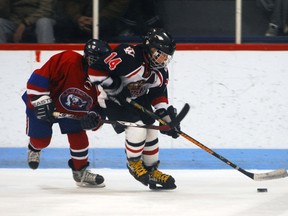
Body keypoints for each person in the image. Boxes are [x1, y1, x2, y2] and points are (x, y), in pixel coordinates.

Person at [88, 28, 180, 190]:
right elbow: (95, 71)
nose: (163, 59)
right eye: (160, 54)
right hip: (113, 99)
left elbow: (158, 93)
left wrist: (164, 116)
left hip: (136, 98)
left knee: (151, 128)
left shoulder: (160, 70)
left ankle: (151, 169)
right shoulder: (128, 55)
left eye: (166, 56)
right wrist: (114, 86)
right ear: (148, 47)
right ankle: (134, 163)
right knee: (137, 128)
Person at [22, 39, 112, 187]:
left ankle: (80, 172)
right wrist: (41, 100)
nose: (96, 64)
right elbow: (38, 78)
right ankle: (34, 148)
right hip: (45, 101)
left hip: (72, 110)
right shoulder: (68, 59)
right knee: (41, 141)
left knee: (79, 137)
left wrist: (95, 118)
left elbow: (101, 109)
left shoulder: (104, 81)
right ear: (86, 56)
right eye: (93, 59)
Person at [55, 0, 130, 43]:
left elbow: (119, 3)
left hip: (108, 23)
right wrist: (77, 17)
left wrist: (98, 18)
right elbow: (69, 3)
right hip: (76, 24)